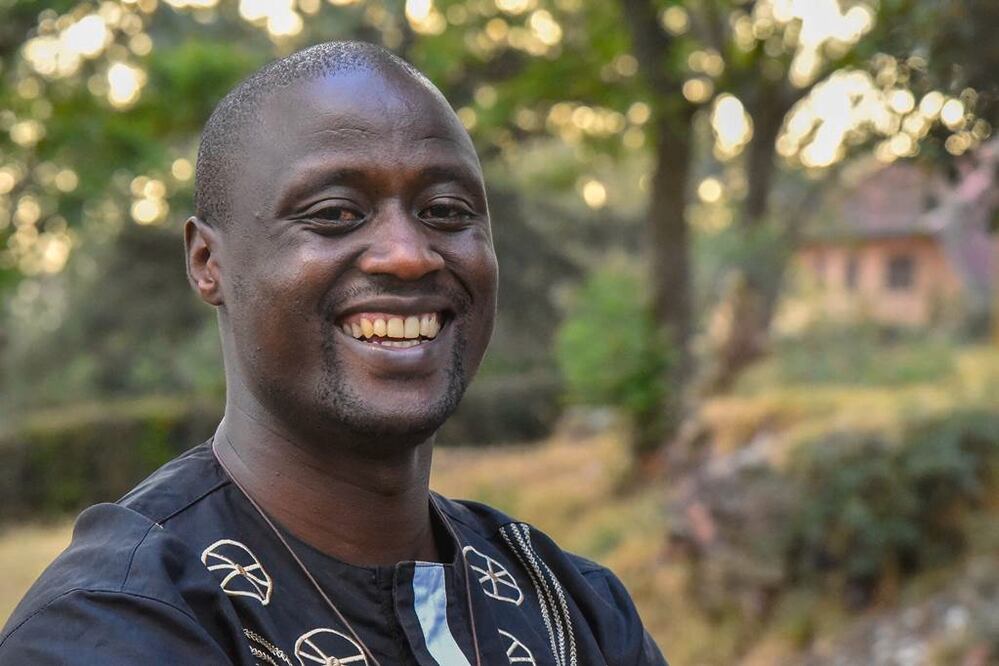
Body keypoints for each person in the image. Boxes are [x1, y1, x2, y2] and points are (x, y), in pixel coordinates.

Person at [0, 42, 667, 665]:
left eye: (445, 210)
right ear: (209, 263)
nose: (408, 255)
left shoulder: (573, 611)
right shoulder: (119, 623)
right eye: (334, 213)